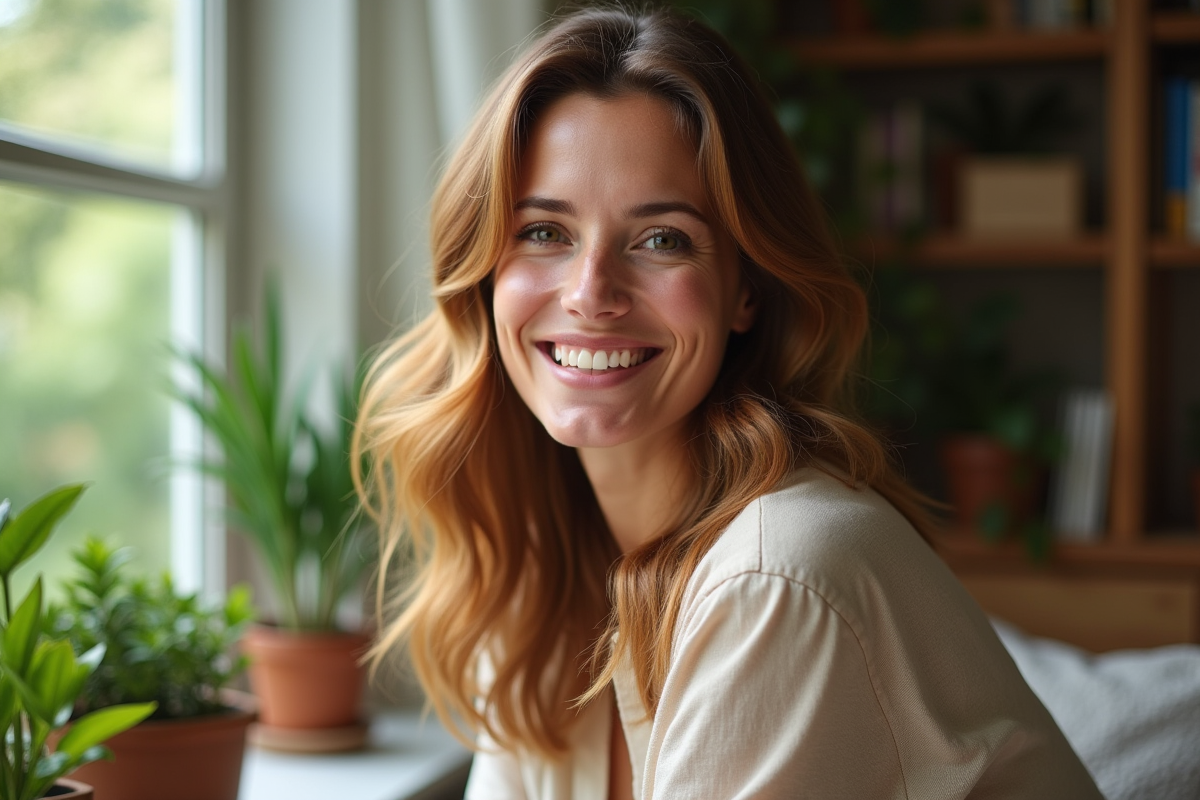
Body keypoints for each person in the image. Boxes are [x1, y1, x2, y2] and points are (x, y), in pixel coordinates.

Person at [354, 6, 1102, 799]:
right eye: (544, 232)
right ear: (484, 271)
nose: (590, 292)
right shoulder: (545, 579)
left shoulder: (777, 575)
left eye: (662, 239)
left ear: (745, 287)